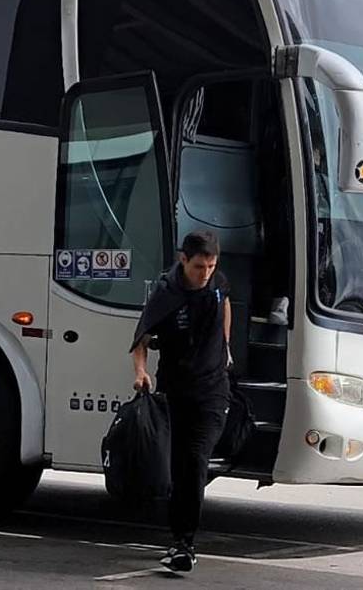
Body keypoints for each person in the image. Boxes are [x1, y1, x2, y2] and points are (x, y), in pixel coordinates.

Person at [129, 230, 232, 573]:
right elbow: (141, 338)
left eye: (211, 266)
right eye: (199, 266)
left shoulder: (218, 284)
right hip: (176, 389)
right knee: (178, 465)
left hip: (213, 391)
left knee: (194, 458)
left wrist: (225, 348)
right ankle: (178, 537)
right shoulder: (165, 294)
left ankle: (185, 541)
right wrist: (141, 372)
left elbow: (225, 304)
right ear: (182, 260)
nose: (205, 274)